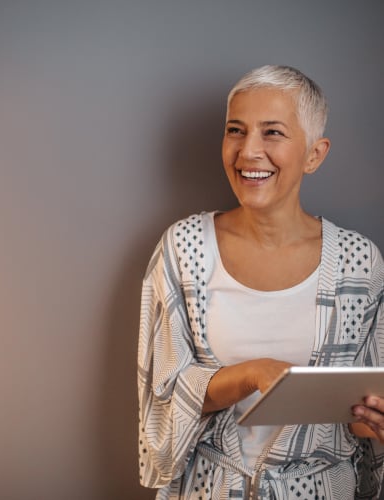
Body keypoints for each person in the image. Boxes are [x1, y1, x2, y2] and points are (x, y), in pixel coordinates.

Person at [137, 65, 384, 499]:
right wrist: (251, 375)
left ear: (314, 153)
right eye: (236, 130)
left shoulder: (358, 262)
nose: (248, 151)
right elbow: (163, 399)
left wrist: (377, 419)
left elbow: (358, 417)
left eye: (272, 133)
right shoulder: (184, 248)